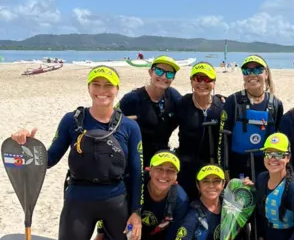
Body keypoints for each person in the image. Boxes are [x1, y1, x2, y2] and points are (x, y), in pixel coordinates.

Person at [11, 66, 160, 240]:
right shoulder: (72, 121)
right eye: (97, 85)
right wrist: (27, 144)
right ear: (89, 88)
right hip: (78, 200)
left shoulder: (129, 127)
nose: (102, 91)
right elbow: (50, 158)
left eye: (108, 86)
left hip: (116, 199)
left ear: (117, 90)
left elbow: (136, 172)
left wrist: (135, 212)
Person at [218, 55, 283, 180]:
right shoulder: (233, 101)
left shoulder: (275, 104)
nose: (252, 74)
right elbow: (222, 139)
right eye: (247, 71)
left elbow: (278, 140)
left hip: (266, 169)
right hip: (237, 167)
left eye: (258, 70)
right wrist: (224, 168)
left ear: (266, 74)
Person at [119, 56, 182, 167]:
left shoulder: (173, 96)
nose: (163, 77)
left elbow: (192, 105)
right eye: (159, 71)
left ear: (173, 78)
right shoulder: (132, 99)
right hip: (135, 160)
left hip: (161, 159)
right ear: (150, 72)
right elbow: (110, 119)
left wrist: (217, 101)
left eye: (169, 74)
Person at [176, 62, 226, 200]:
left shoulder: (222, 106)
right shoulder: (182, 104)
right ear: (192, 82)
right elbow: (162, 129)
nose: (202, 83)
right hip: (187, 168)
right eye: (198, 79)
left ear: (214, 83)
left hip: (214, 168)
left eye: (207, 79)